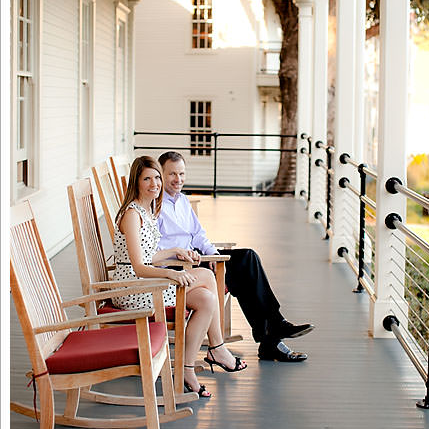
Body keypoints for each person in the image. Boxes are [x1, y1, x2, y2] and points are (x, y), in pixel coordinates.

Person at [156, 151, 314, 363]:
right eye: (172, 174)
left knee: (248, 258)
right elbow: (154, 248)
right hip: (179, 268)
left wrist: (212, 254)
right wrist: (182, 254)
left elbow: (198, 234)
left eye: (182, 174)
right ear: (161, 174)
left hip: (197, 258)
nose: (178, 180)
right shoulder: (155, 205)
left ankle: (272, 330)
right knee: (244, 276)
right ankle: (272, 335)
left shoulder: (182, 201)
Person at [113, 156, 246, 398]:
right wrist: (171, 275)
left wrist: (175, 251)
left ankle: (187, 368)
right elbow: (139, 266)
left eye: (156, 178)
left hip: (148, 283)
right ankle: (216, 347)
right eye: (147, 179)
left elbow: (150, 254)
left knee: (206, 298)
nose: (154, 184)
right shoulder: (132, 215)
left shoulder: (147, 210)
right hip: (133, 290)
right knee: (206, 276)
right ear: (137, 181)